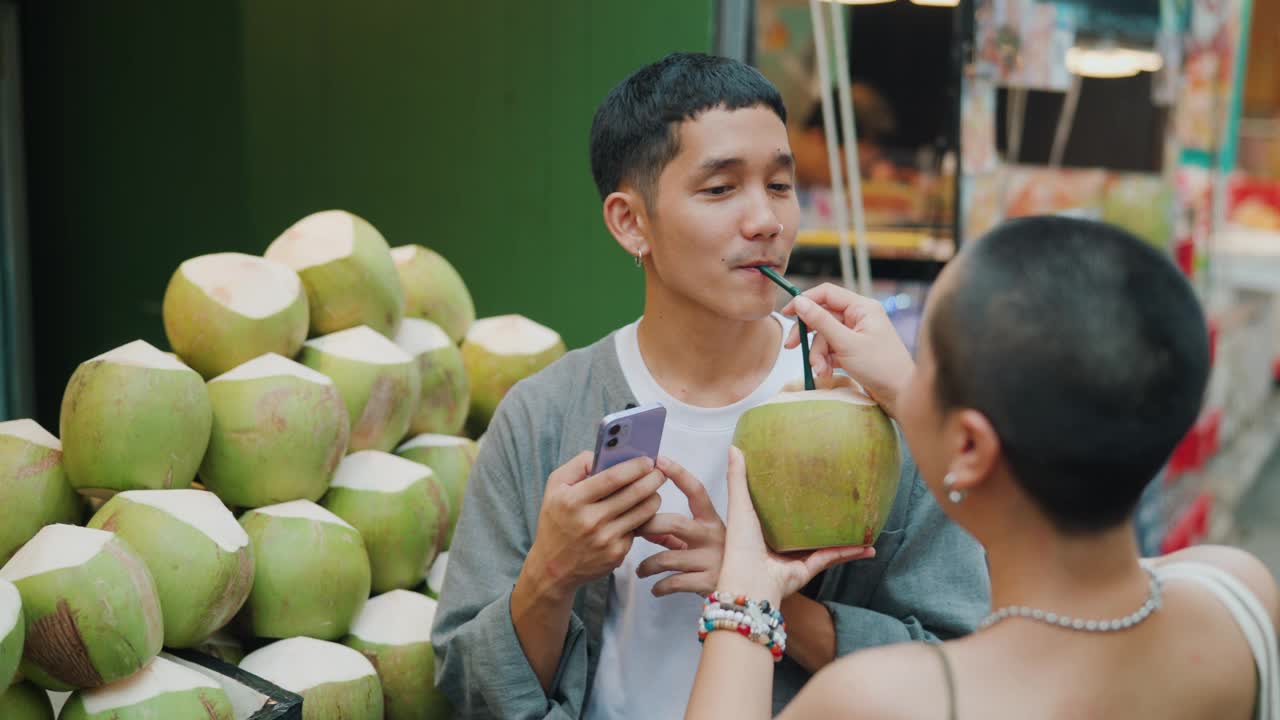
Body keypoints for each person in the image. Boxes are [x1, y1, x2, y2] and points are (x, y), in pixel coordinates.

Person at [429, 52, 990, 719]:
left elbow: (956, 669)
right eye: (721, 189)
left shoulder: (873, 406)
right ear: (630, 222)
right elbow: (467, 693)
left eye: (780, 186)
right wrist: (551, 575)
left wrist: (759, 588)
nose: (767, 221)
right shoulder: (544, 416)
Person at [684, 215, 1280, 719]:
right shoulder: (1237, 596)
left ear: (970, 448)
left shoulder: (884, 699)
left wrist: (747, 591)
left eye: (928, 362)